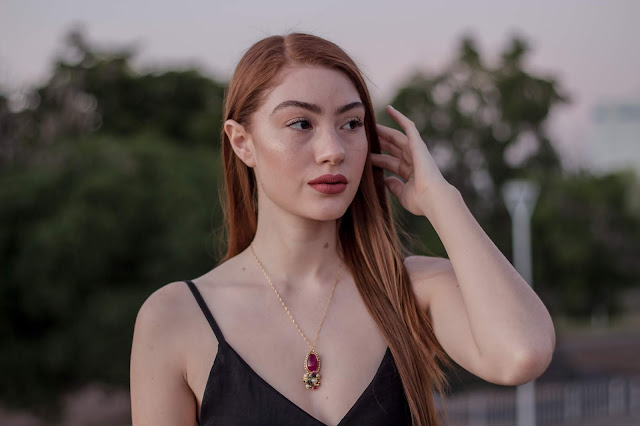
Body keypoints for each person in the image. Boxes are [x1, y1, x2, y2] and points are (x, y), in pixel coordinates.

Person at [129, 32, 555, 426]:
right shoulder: (175, 318)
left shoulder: (412, 287)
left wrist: (442, 200)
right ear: (242, 142)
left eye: (351, 124)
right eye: (301, 123)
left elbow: (521, 356)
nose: (333, 151)